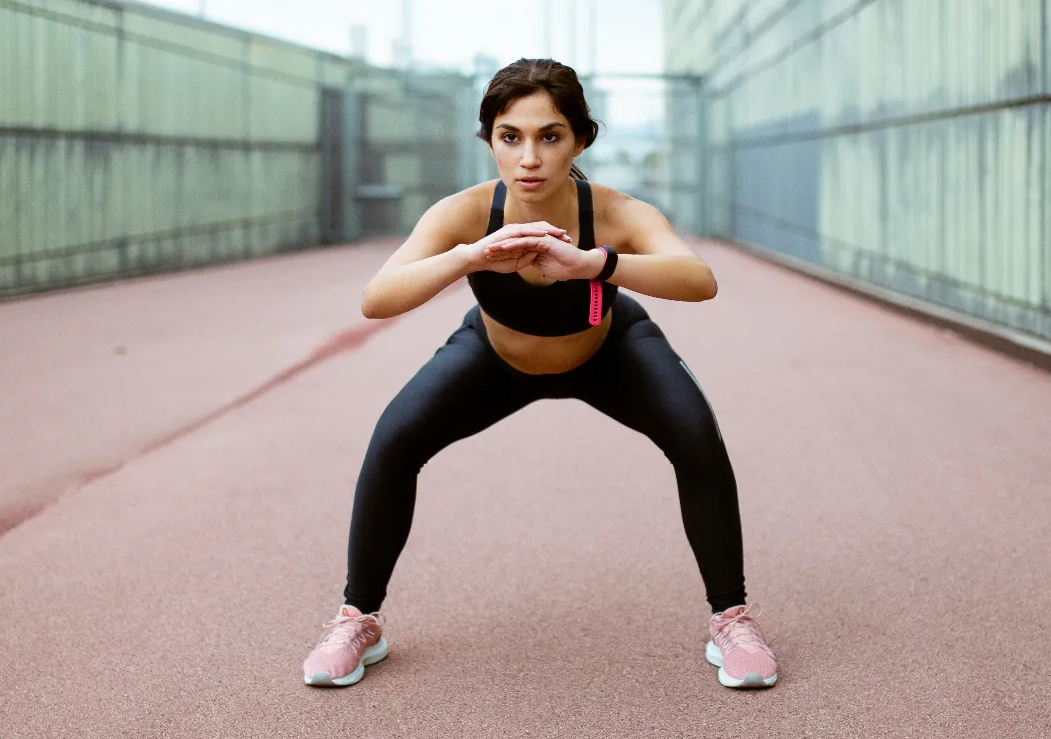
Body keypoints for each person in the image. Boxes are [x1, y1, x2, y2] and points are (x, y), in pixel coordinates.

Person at [302, 58, 777, 690]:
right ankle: (358, 619)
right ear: (490, 140)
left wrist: (595, 265)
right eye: (510, 137)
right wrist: (468, 257)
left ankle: (731, 619)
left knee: (697, 438)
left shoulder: (614, 212)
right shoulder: (465, 214)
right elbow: (377, 297)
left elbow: (700, 280)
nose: (530, 157)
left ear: (580, 140)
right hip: (495, 359)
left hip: (610, 352)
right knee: (393, 442)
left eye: (550, 136)